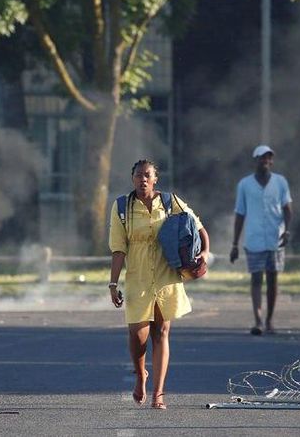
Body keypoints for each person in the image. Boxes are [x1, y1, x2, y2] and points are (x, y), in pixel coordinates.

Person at [108, 159, 209, 410]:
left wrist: (204, 254)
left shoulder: (170, 202)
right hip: (138, 277)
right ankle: (140, 375)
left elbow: (198, 226)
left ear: (155, 180)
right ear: (132, 179)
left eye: (147, 175)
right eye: (138, 175)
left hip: (166, 275)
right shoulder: (122, 207)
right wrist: (112, 283)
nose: (142, 179)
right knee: (138, 335)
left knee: (161, 333)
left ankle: (159, 393)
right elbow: (119, 249)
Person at [230, 145, 292, 335]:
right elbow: (240, 214)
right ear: (255, 160)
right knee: (256, 278)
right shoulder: (245, 184)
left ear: (271, 161)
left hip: (275, 237)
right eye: (261, 158)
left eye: (268, 158)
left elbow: (287, 208)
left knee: (273, 279)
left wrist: (287, 230)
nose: (265, 161)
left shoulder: (280, 182)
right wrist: (234, 243)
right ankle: (258, 320)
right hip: (254, 238)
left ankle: (269, 320)